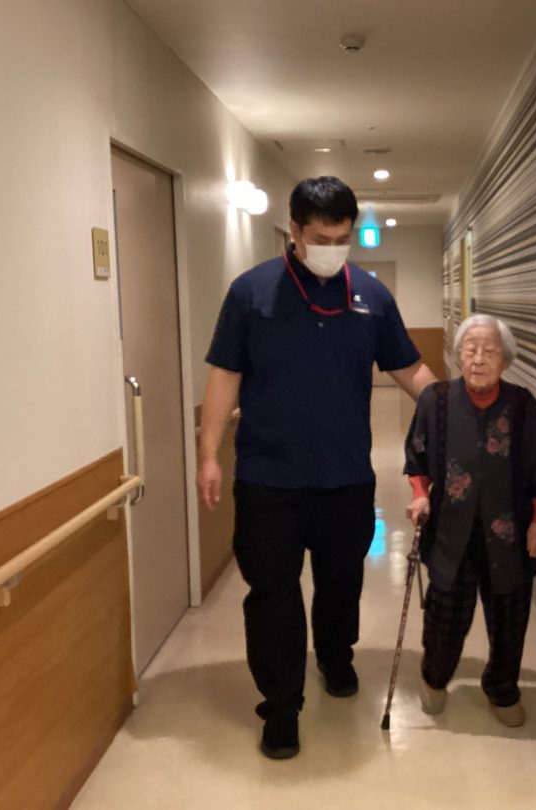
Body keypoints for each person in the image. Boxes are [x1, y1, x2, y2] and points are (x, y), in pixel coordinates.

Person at [197, 176, 436, 760]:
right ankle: (281, 706)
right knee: (272, 593)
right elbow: (225, 375)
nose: (332, 248)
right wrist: (208, 455)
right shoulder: (251, 292)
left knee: (341, 582)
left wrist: (457, 412)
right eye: (321, 238)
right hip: (267, 479)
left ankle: (335, 656)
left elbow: (410, 369)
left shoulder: (371, 297)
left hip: (345, 478)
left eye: (341, 238)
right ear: (295, 231)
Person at [404, 314, 536, 727]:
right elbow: (417, 458)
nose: (478, 359)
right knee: (444, 618)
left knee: (510, 619)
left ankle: (502, 690)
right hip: (450, 533)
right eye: (470, 349)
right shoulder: (435, 401)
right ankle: (434, 678)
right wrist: (419, 496)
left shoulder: (522, 405)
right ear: (458, 355)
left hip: (510, 535)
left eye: (489, 351)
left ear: (505, 359)